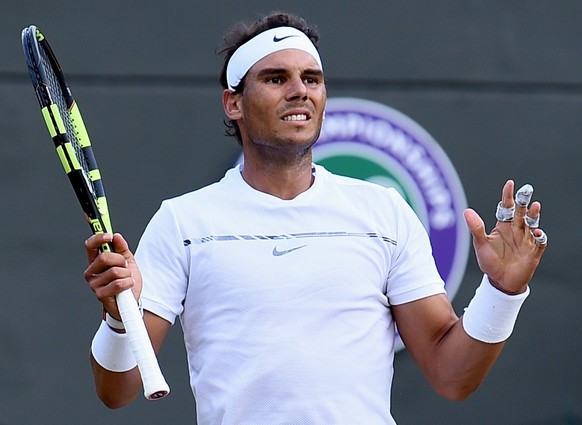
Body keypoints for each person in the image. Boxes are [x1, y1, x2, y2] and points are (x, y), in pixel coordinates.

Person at [84, 11, 548, 425]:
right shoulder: (182, 223)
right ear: (234, 103)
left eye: (311, 77)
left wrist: (502, 292)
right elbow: (117, 391)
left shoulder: (384, 212)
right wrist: (118, 321)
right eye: (275, 78)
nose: (299, 90)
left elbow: (452, 378)